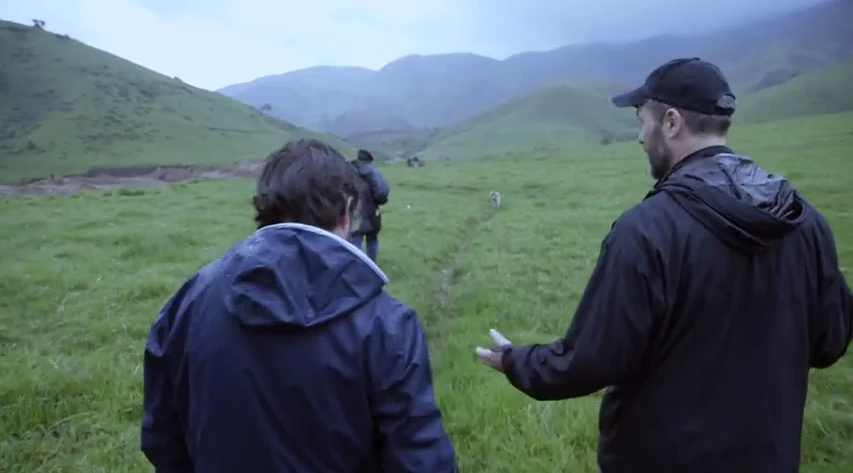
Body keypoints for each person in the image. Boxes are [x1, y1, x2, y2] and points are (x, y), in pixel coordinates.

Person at [475, 58, 853, 472]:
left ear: (671, 123)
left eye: (643, 121)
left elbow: (590, 361)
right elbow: (830, 341)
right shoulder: (804, 221)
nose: (640, 136)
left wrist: (517, 361)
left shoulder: (645, 230)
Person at [141, 138, 457, 472]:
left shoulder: (187, 302)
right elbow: (421, 461)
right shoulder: (388, 326)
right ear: (348, 209)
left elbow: (162, 439)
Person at [349, 148, 390, 262]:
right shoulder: (373, 172)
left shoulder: (349, 171)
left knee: (355, 240)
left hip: (354, 213)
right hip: (372, 213)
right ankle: (372, 266)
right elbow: (382, 192)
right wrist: (379, 201)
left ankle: (356, 267)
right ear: (369, 159)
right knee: (372, 239)